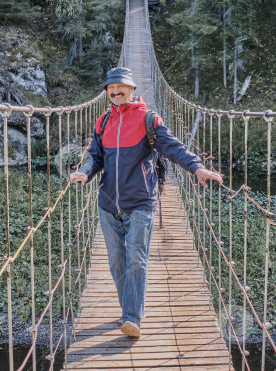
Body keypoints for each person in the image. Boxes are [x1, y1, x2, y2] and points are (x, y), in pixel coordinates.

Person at [69, 67, 223, 339]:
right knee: (117, 262)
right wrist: (86, 171)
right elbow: (95, 156)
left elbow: (173, 147)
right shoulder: (102, 122)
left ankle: (132, 317)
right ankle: (128, 309)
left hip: (140, 202)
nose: (115, 94)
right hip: (107, 203)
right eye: (111, 90)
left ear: (131, 89)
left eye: (120, 89)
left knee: (136, 260)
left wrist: (196, 167)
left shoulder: (148, 119)